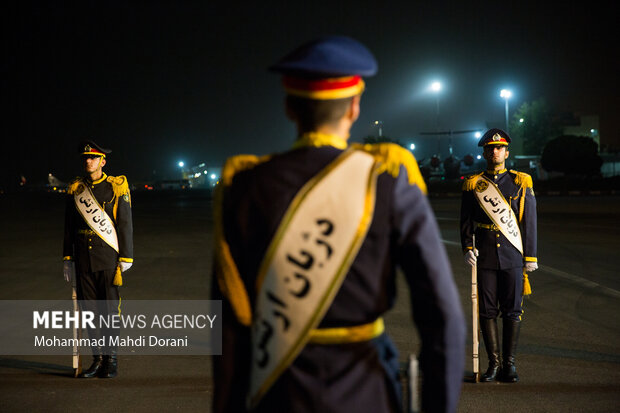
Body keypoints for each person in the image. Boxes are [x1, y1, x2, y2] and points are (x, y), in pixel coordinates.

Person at [212, 36, 465, 413]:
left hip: (276, 392)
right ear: (355, 108)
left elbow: (229, 324)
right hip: (367, 392)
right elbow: (443, 317)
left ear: (289, 108)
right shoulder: (388, 181)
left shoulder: (244, 187)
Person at [460, 128, 538, 383]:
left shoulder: (520, 182)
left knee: (513, 311)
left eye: (499, 148)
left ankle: (509, 365)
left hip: (513, 254)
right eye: (490, 148)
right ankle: (493, 364)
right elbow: (466, 222)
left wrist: (530, 257)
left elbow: (529, 223)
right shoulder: (474, 184)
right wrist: (468, 249)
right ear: (484, 152)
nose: (495, 152)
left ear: (506, 152)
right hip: (485, 257)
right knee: (487, 311)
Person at [63, 140, 133, 378]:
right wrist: (67, 258)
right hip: (83, 260)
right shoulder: (76, 189)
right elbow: (68, 228)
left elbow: (124, 224)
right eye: (86, 158)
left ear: (103, 161)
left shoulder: (115, 187)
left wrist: (126, 255)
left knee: (110, 311)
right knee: (90, 312)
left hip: (108, 259)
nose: (88, 161)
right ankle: (97, 359)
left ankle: (111, 359)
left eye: (93, 158)